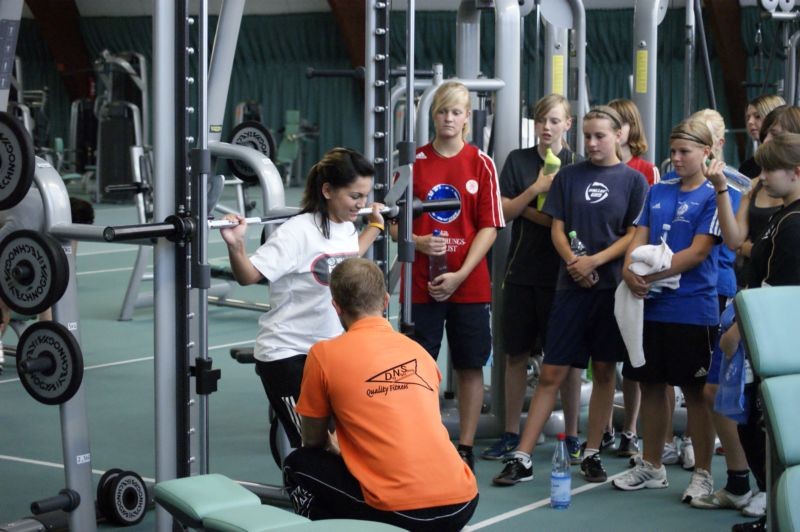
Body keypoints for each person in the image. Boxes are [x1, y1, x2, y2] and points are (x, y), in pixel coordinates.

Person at [493, 105, 648, 486]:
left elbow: (633, 233)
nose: (592, 143)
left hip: (611, 289)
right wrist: (574, 262)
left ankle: (592, 452)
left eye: (600, 136)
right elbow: (557, 228)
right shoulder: (568, 176)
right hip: (570, 288)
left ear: (618, 136)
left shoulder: (634, 181)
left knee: (605, 370)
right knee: (552, 371)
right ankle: (523, 456)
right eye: (588, 137)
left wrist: (596, 260)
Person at [283, 258, 479, 531]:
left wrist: (338, 448)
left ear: (336, 307)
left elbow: (313, 441)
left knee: (297, 465)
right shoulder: (420, 353)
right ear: (386, 301)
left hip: (403, 512)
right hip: (463, 502)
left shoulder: (323, 354)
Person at [220, 147, 384, 452]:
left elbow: (348, 254)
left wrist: (374, 227)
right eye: (355, 196)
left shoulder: (346, 226)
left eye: (365, 196)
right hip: (287, 354)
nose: (361, 204)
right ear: (327, 190)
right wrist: (236, 245)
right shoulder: (296, 233)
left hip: (329, 353)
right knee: (314, 448)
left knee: (346, 441)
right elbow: (248, 276)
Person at [390, 80, 504, 471]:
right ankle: (423, 441)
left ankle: (465, 445)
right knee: (420, 367)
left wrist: (461, 274)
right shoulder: (413, 164)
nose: (449, 119)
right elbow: (392, 223)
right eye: (442, 111)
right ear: (433, 116)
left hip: (469, 287)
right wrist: (417, 242)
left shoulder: (481, 164)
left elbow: (489, 227)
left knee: (470, 366)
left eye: (456, 112)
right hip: (420, 286)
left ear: (467, 117)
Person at [613, 117, 720, 505]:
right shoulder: (657, 191)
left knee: (695, 392)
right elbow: (637, 239)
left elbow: (698, 252)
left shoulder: (714, 195)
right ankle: (652, 465)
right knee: (651, 386)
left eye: (684, 152)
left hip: (692, 309)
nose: (676, 158)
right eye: (673, 151)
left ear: (706, 152)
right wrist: (628, 271)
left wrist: (651, 274)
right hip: (650, 308)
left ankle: (703, 474)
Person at [482, 93, 586, 464]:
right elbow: (504, 212)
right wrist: (534, 191)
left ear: (568, 124)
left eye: (554, 120)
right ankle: (511, 433)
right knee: (515, 354)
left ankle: (572, 435)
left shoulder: (578, 165)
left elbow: (569, 220)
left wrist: (529, 209)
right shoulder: (518, 161)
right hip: (522, 272)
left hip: (564, 276)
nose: (546, 127)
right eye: (542, 120)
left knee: (568, 361)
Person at [705, 132, 800, 532]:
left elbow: (777, 293)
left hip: (771, 341)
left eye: (769, 170)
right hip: (765, 337)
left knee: (764, 429)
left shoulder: (793, 225)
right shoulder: (783, 215)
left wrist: (739, 332)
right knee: (754, 427)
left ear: (796, 172)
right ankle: (773, 512)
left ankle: (778, 512)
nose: (762, 178)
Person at [0, 188, 94, 373]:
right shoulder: (24, 223)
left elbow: (64, 273)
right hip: (8, 242)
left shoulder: (57, 203)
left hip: (24, 247)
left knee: (53, 281)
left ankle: (50, 341)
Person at [609, 98, 658, 185]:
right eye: (611, 124)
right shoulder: (594, 167)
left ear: (633, 127)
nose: (616, 129)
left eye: (621, 123)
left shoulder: (648, 169)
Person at [738, 94, 786, 178]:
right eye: (748, 117)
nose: (750, 122)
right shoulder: (747, 167)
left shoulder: (789, 163)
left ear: (773, 118)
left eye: (757, 116)